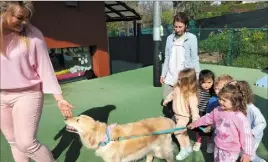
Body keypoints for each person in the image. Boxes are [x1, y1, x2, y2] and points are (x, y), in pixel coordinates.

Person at [0, 1, 74, 162]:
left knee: (26, 143)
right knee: (13, 141)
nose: (24, 22)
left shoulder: (33, 36)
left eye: (27, 18)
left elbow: (45, 69)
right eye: (20, 17)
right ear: (3, 13)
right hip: (1, 97)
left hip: (27, 94)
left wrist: (59, 99)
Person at [188, 83, 253, 162]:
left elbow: (247, 137)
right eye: (220, 98)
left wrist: (247, 154)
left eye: (224, 100)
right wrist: (196, 123)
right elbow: (208, 118)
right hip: (218, 145)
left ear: (235, 102)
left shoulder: (240, 118)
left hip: (231, 151)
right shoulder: (218, 110)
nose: (220, 102)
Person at [160, 12, 200, 120]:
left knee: (183, 100)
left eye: (180, 27)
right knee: (167, 97)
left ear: (186, 25)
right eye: (175, 26)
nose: (177, 29)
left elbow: (194, 58)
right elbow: (167, 57)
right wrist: (163, 74)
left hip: (184, 76)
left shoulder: (192, 38)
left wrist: (197, 74)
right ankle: (173, 119)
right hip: (171, 75)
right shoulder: (169, 38)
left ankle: (181, 121)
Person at [162, 68, 199, 161]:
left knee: (177, 132)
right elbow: (172, 95)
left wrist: (195, 119)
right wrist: (166, 100)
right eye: (178, 78)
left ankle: (184, 150)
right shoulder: (177, 88)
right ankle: (188, 147)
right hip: (177, 115)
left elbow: (194, 109)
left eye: (180, 79)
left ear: (188, 82)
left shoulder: (191, 94)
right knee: (183, 132)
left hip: (184, 117)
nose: (178, 81)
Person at [234, 81, 267, 162]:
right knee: (240, 151)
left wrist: (251, 133)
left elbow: (262, 123)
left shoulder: (252, 109)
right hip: (243, 134)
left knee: (250, 155)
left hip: (253, 137)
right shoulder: (238, 105)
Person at [192, 70, 215, 153]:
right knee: (198, 129)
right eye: (203, 82)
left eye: (209, 82)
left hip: (209, 114)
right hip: (199, 112)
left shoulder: (213, 91)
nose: (206, 85)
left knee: (208, 130)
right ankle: (198, 142)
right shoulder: (197, 90)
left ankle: (210, 143)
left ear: (213, 81)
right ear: (199, 81)